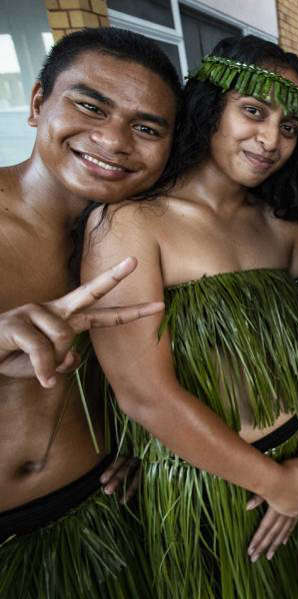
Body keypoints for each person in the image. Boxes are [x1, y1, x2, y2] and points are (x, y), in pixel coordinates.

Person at [82, 36, 298, 598]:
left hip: (296, 471)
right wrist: (273, 483)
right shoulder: (131, 223)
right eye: (253, 111)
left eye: (289, 127)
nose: (270, 140)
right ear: (210, 106)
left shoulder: (285, 229)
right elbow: (144, 393)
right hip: (199, 483)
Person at [0, 27, 180, 598]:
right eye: (89, 105)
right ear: (36, 104)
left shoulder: (139, 241)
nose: (113, 140)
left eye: (146, 128)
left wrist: (138, 445)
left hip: (100, 517)